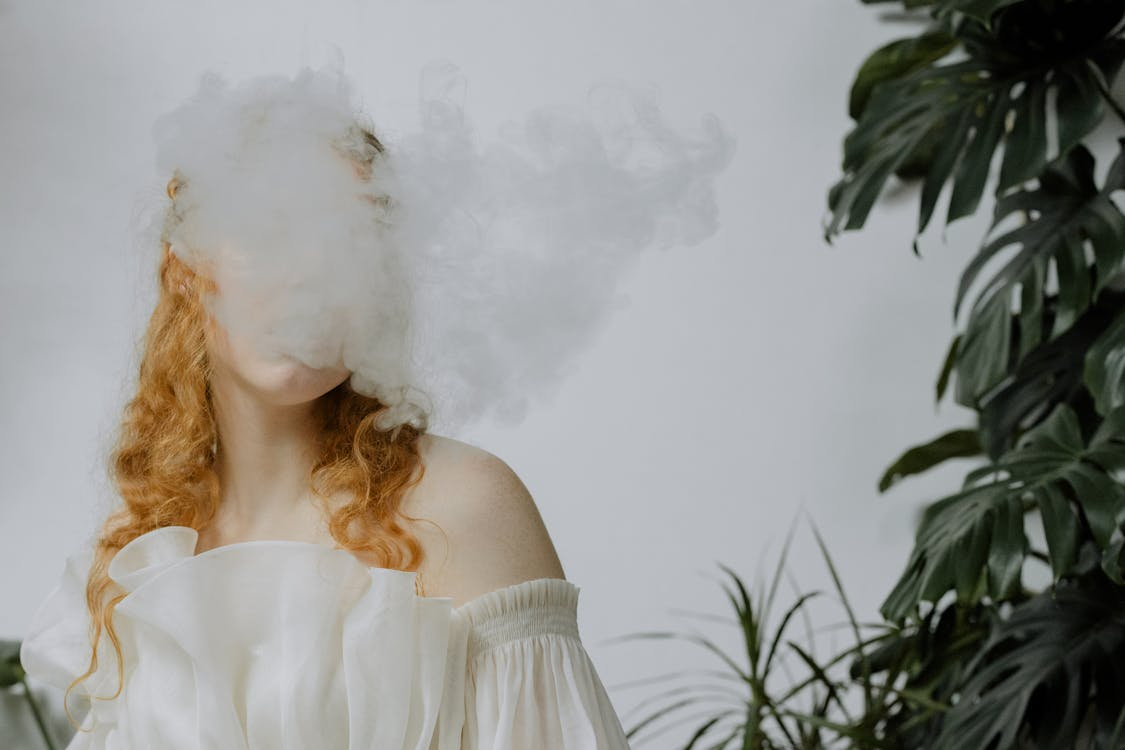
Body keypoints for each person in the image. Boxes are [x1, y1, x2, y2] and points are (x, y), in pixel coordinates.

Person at [19, 72, 632, 749]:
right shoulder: (139, 549)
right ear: (187, 269)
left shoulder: (463, 507)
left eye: (347, 239)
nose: (311, 273)